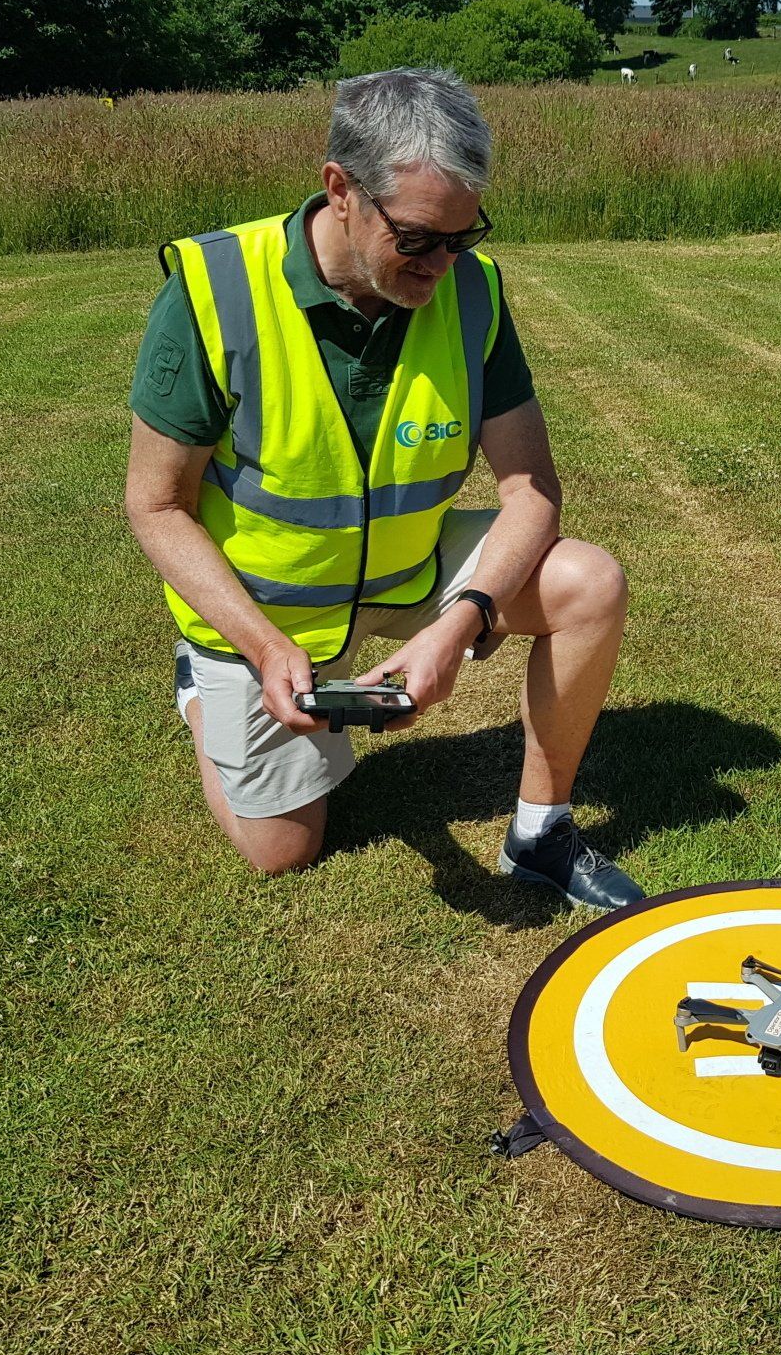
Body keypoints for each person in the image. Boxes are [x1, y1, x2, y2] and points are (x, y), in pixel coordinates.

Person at [123, 67, 642, 912]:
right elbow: (154, 504)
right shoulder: (214, 292)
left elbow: (532, 489)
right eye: (418, 238)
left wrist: (461, 622)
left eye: (462, 238)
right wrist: (261, 647)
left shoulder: (473, 294)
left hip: (411, 575)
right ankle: (202, 684)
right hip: (271, 609)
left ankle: (541, 831)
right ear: (340, 190)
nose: (443, 264)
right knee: (284, 851)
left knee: (590, 582)